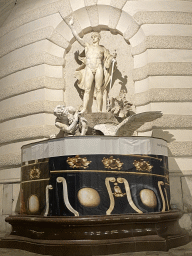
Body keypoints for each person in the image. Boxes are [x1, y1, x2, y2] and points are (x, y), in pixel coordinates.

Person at [69, 18, 116, 113]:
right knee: (87, 89)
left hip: (99, 67)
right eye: (92, 37)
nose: (93, 38)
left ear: (98, 38)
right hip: (89, 68)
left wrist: (112, 58)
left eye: (94, 36)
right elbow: (78, 38)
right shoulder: (87, 46)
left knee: (99, 89)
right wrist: (71, 26)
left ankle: (99, 110)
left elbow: (108, 58)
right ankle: (84, 108)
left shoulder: (102, 49)